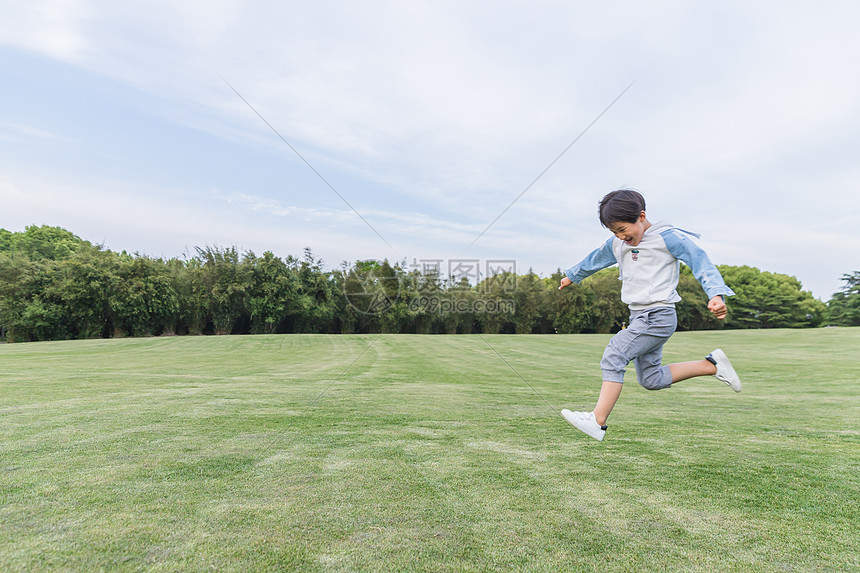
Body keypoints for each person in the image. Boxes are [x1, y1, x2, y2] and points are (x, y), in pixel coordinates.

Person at [558, 189, 742, 441]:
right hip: (638, 316)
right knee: (651, 378)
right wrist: (573, 275)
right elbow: (596, 258)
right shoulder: (618, 244)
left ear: (641, 216)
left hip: (658, 315)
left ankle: (597, 420)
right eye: (614, 232)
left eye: (623, 229)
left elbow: (700, 261)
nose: (621, 237)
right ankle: (711, 365)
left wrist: (715, 294)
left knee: (614, 354)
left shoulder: (667, 238)